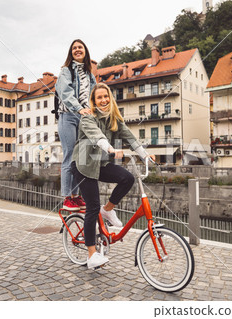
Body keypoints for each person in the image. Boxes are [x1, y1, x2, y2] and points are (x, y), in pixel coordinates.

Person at [71, 83, 155, 269]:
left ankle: (108, 209)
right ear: (93, 101)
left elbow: (129, 136)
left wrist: (144, 154)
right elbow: (96, 135)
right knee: (92, 206)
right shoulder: (88, 118)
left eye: (106, 96)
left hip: (99, 164)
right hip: (83, 165)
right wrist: (109, 148)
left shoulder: (114, 118)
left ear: (110, 97)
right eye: (99, 97)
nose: (103, 100)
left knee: (128, 178)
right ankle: (92, 254)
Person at [55, 39, 97, 212]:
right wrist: (80, 109)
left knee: (80, 158)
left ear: (85, 51)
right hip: (68, 116)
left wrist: (94, 112)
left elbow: (93, 96)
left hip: (83, 118)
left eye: (80, 47)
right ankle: (67, 198)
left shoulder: (89, 75)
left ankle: (76, 195)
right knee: (69, 155)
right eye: (74, 48)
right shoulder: (66, 71)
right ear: (71, 52)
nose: (77, 50)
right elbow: (65, 92)